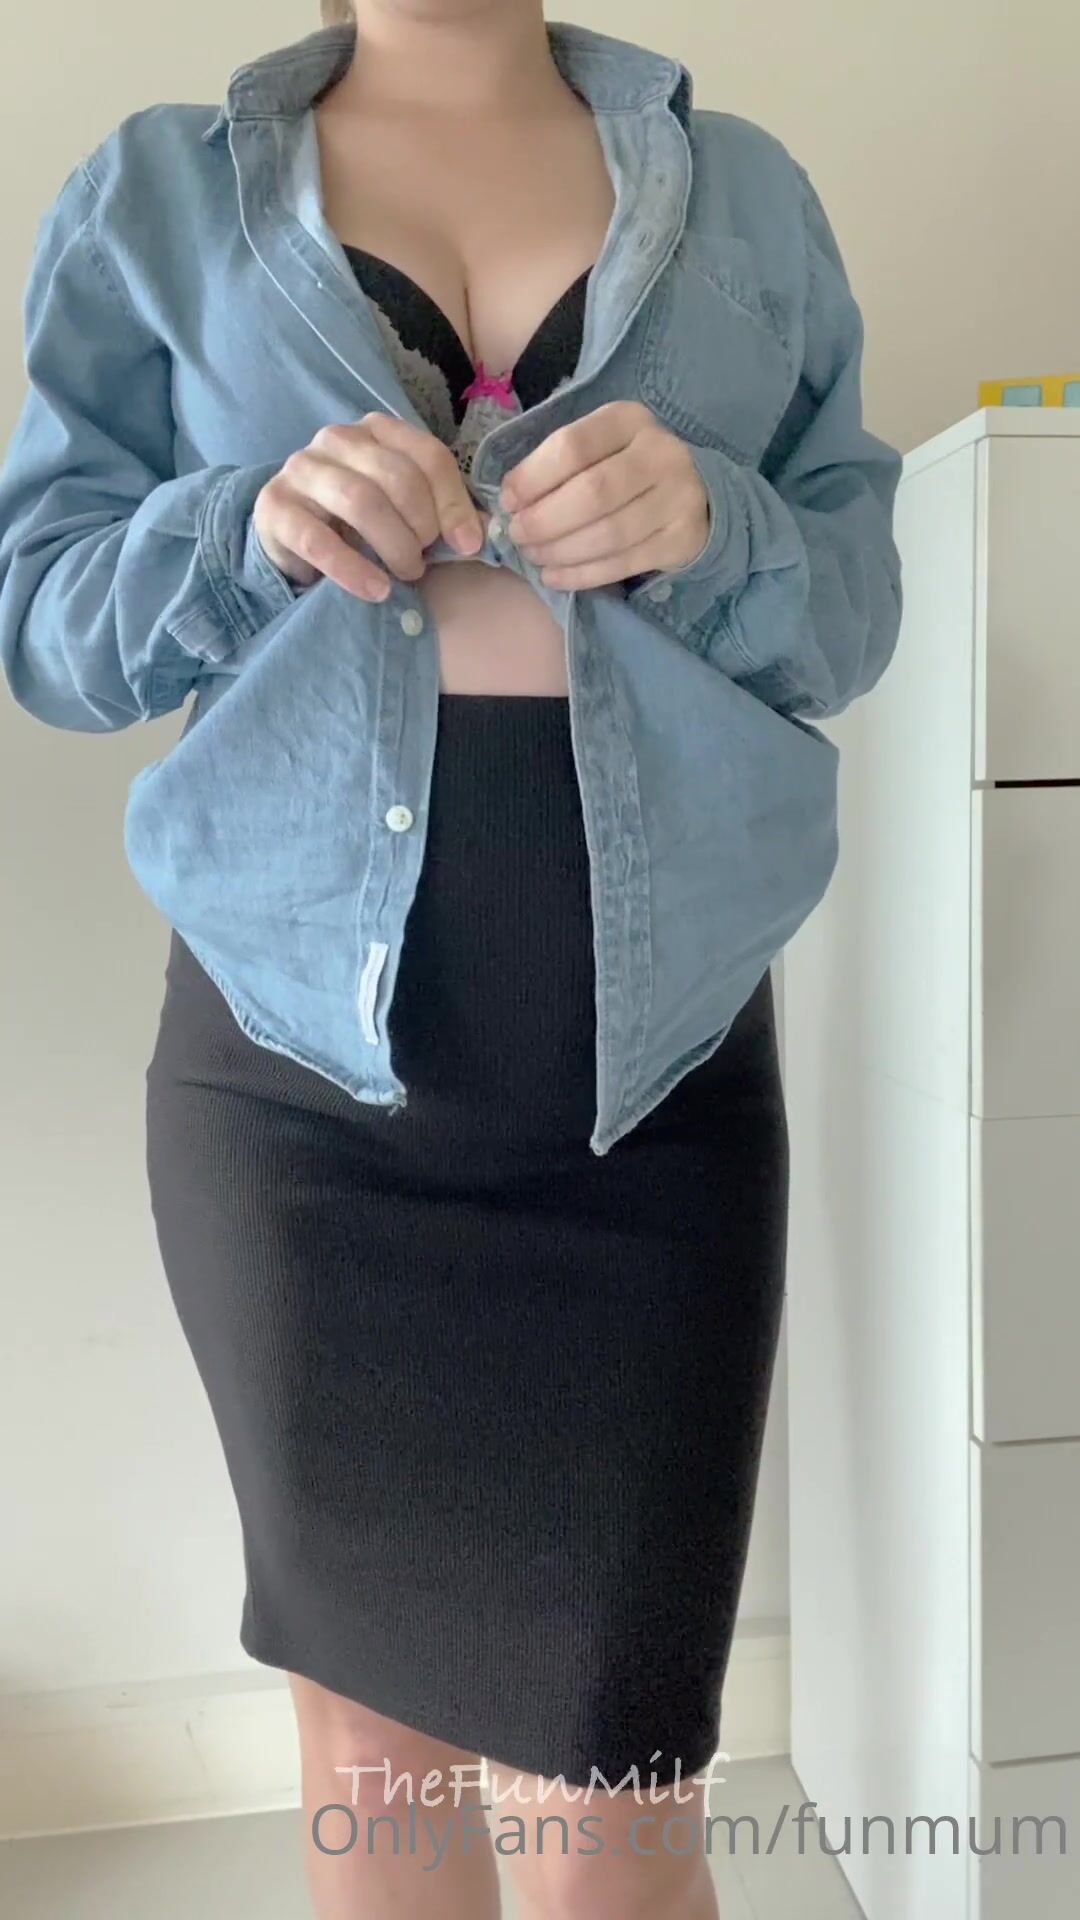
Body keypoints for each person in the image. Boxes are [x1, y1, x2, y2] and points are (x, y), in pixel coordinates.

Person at [0, 3, 903, 1915]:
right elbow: (46, 621)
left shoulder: (746, 192)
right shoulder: (159, 193)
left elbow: (853, 604)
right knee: (375, 1767)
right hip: (296, 1096)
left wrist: (717, 525)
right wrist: (243, 530)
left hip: (655, 1082)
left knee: (622, 1800)